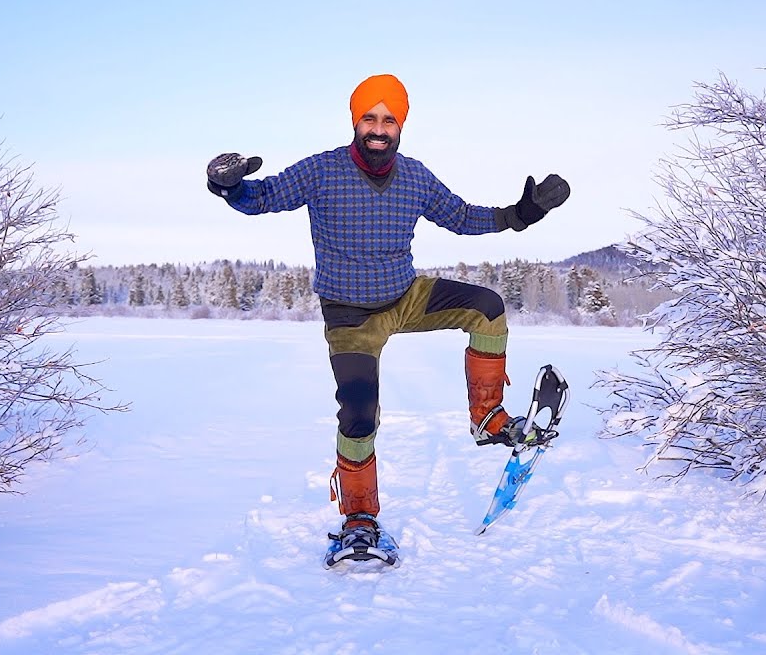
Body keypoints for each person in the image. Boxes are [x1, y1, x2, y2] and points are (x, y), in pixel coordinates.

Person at [205, 73, 570, 559]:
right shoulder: (322, 170)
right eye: (370, 118)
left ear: (401, 126)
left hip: (405, 296)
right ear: (356, 122)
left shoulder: (415, 176)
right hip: (350, 316)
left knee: (487, 307)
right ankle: (359, 518)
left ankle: (488, 419)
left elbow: (461, 216)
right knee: (358, 415)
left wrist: (521, 213)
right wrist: (228, 187)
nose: (379, 128)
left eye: (389, 119)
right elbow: (264, 196)